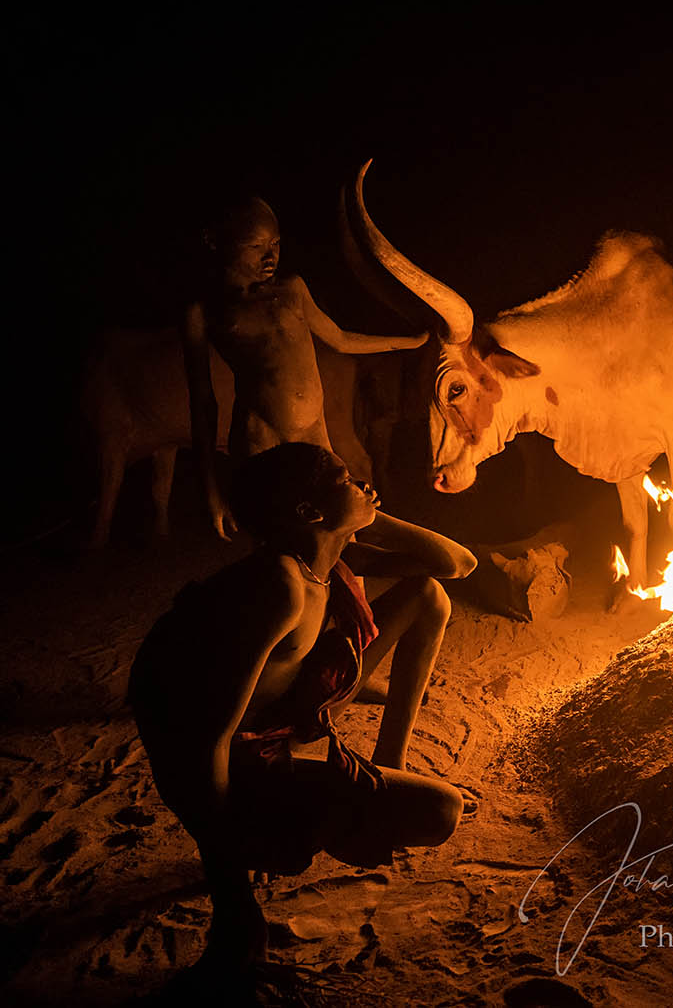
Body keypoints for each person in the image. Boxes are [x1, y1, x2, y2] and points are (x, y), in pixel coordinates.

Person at [129, 443, 476, 978]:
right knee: (440, 812)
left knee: (428, 594)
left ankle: (389, 766)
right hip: (230, 756)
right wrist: (230, 890)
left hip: (279, 715)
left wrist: (356, 513)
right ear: (309, 513)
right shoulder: (279, 588)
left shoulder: (328, 560)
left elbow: (456, 563)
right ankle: (256, 847)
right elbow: (205, 738)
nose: (364, 481)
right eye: (346, 478)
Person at [186, 196, 427, 540]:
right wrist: (212, 493)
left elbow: (341, 339)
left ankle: (350, 587)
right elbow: (202, 402)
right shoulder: (205, 312)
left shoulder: (291, 289)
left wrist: (408, 343)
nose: (270, 256)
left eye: (276, 243)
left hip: (316, 435)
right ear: (215, 241)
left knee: (342, 533)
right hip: (261, 443)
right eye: (256, 246)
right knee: (282, 538)